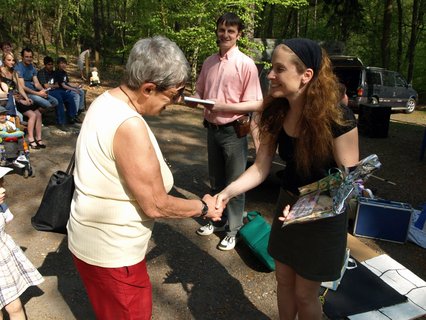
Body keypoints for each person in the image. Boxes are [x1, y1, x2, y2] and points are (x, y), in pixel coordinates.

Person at [67, 36, 223, 320]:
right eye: (174, 94)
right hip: (114, 257)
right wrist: (203, 207)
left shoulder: (106, 99)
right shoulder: (129, 125)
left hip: (90, 244)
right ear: (148, 88)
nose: (176, 101)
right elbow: (156, 205)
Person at [215, 38, 359, 319]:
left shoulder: (338, 117)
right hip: (287, 208)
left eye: (279, 69)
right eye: (271, 67)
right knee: (283, 281)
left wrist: (311, 207)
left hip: (324, 216)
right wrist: (226, 193)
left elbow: (350, 183)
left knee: (306, 294)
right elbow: (260, 167)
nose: (270, 75)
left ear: (306, 75)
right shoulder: (277, 110)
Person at [189, 12, 263, 251]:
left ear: (239, 35)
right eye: (222, 30)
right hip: (211, 129)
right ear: (217, 32)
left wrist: (225, 107)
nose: (225, 34)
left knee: (235, 184)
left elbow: (256, 103)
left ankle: (233, 230)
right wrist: (193, 100)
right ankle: (215, 220)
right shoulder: (209, 62)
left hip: (233, 132)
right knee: (216, 180)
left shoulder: (245, 64)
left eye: (231, 31)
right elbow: (200, 92)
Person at [0, 166, 44, 319]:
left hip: (3, 262)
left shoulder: (1, 206)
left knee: (15, 307)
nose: (3, 190)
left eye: (2, 184)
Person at [0, 53, 43, 150]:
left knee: (38, 113)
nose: (12, 62)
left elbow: (19, 87)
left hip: (18, 96)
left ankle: (38, 138)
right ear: (4, 60)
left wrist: (26, 98)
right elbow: (6, 91)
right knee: (32, 115)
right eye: (9, 60)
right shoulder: (1, 72)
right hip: (11, 99)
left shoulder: (14, 72)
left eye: (13, 60)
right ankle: (31, 139)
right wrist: (20, 99)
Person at [37, 56, 80, 131]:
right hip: (46, 91)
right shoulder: (41, 72)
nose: (51, 66)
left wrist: (53, 86)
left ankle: (72, 117)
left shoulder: (54, 73)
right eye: (49, 64)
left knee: (69, 96)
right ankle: (61, 122)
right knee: (58, 99)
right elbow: (46, 86)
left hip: (56, 90)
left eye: (51, 64)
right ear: (45, 65)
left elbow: (57, 85)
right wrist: (52, 86)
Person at [14, 48, 58, 115]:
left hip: (34, 91)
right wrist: (38, 94)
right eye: (26, 57)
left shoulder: (32, 67)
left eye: (30, 57)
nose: (29, 59)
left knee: (55, 102)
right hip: (26, 93)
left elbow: (36, 83)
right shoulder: (19, 67)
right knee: (47, 104)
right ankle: (34, 113)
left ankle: (36, 112)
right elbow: (22, 86)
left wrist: (43, 91)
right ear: (22, 57)